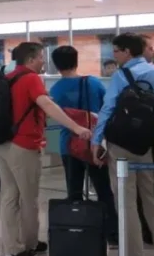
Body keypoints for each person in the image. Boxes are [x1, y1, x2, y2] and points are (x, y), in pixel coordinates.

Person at [0, 42, 93, 256]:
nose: (43, 61)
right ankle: (27, 244)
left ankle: (12, 245)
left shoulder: (8, 78)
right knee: (29, 198)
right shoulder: (30, 79)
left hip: (3, 144)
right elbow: (47, 106)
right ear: (30, 60)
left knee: (10, 195)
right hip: (24, 145)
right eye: (40, 57)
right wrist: (76, 127)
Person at [92, 33, 154, 256]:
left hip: (120, 143)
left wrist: (97, 140)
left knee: (125, 200)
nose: (113, 55)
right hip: (147, 143)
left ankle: (135, 255)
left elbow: (108, 109)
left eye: (116, 51)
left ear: (127, 51)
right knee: (152, 196)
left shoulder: (121, 76)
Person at [48, 46, 117, 244]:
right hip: (94, 143)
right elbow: (106, 108)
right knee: (104, 189)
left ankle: (77, 230)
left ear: (57, 65)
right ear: (76, 61)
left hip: (68, 144)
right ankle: (112, 234)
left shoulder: (56, 90)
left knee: (74, 191)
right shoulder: (93, 83)